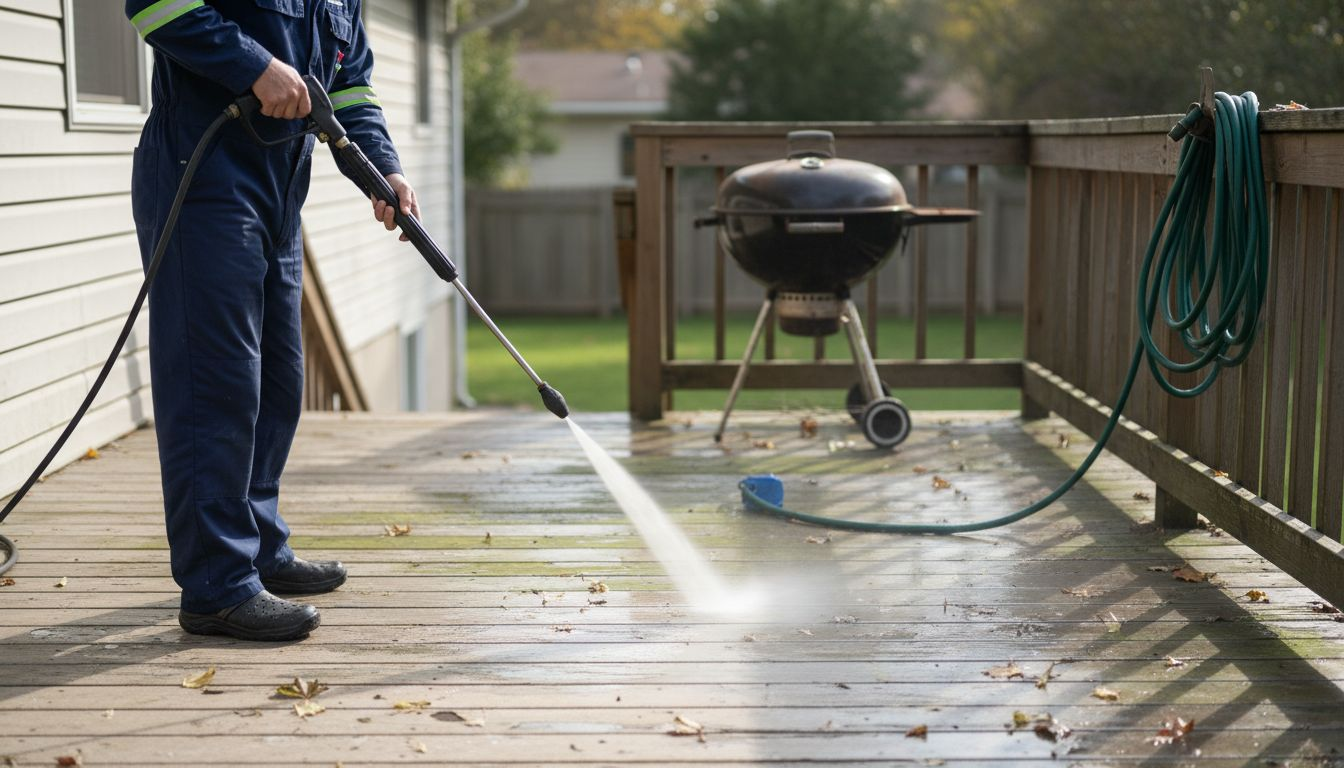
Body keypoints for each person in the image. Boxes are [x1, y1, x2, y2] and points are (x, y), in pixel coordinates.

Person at [124, 0, 419, 641]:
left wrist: (381, 168)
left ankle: (256, 548)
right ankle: (216, 587)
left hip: (282, 186)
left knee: (279, 380)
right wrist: (255, 66)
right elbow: (153, 4)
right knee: (217, 383)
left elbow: (350, 85)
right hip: (202, 174)